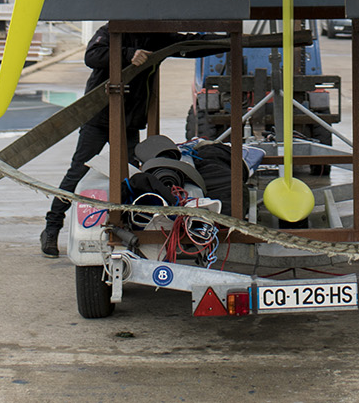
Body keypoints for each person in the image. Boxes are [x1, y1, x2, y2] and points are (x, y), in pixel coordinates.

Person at [40, 25, 222, 257]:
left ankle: (130, 230)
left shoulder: (157, 36)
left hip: (128, 122)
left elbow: (190, 44)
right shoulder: (111, 31)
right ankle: (52, 227)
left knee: (132, 178)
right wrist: (127, 54)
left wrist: (227, 40)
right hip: (99, 118)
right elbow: (91, 56)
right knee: (77, 173)